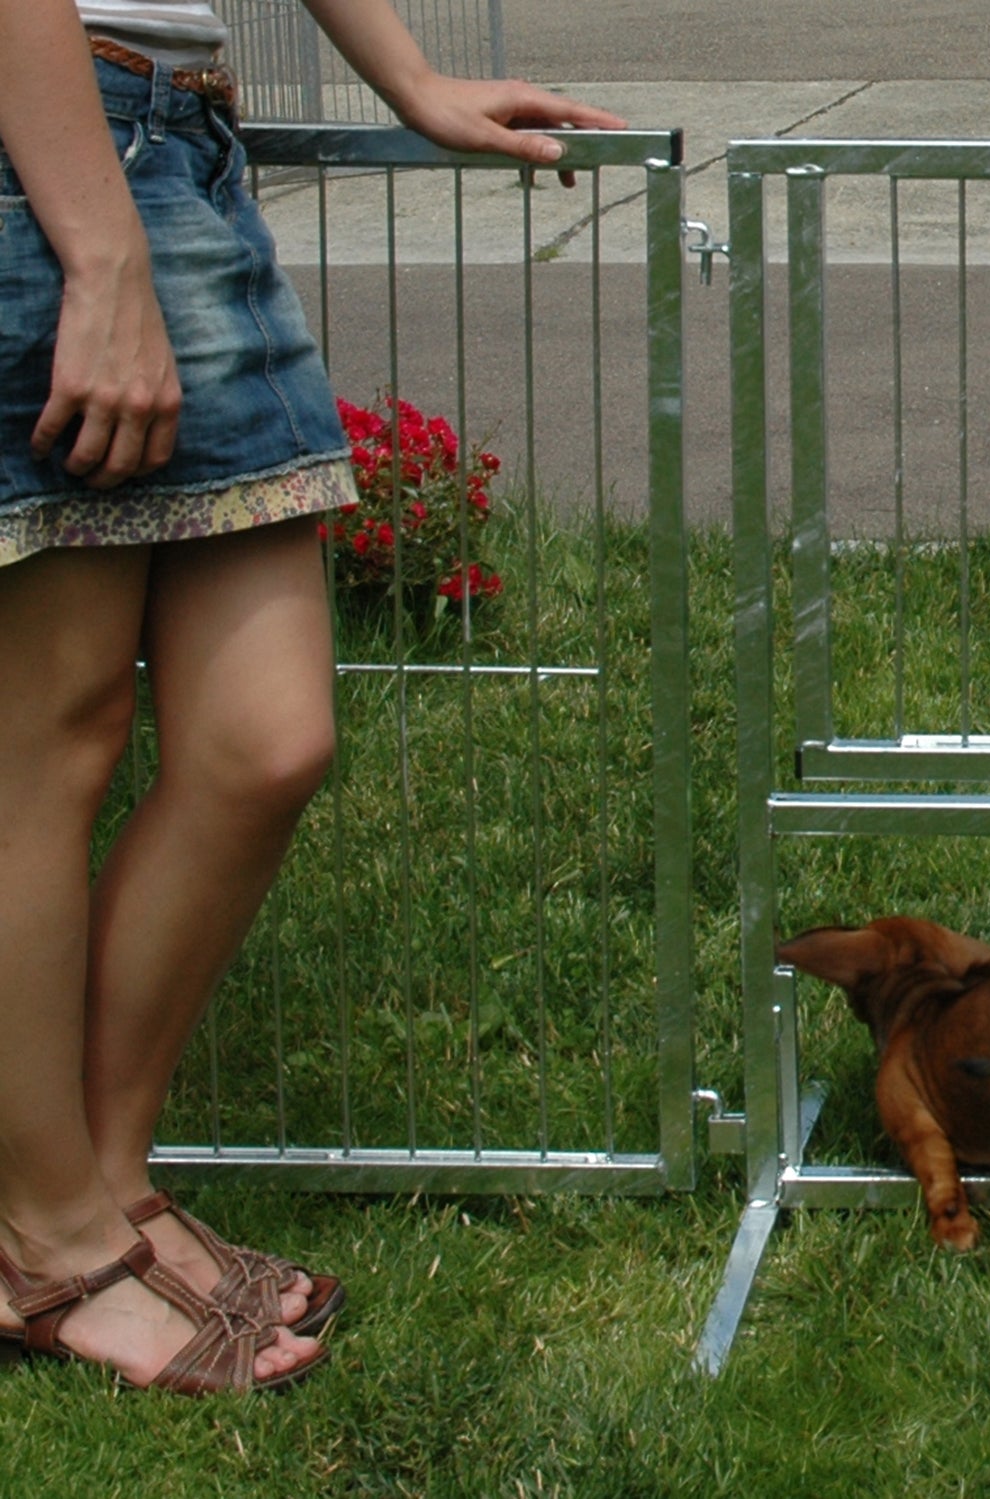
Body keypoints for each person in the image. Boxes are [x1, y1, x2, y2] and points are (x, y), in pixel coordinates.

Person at [0, 0, 625, 1393]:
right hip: (47, 154)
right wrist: (101, 258)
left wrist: (406, 73)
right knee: (53, 739)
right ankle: (46, 1243)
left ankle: (108, 1185)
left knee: (265, 737)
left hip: (172, 146)